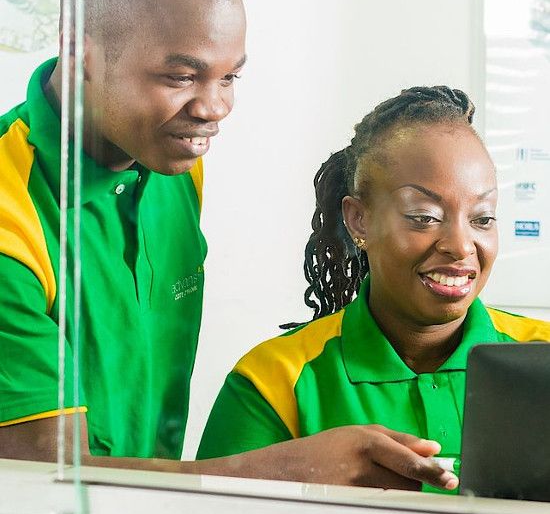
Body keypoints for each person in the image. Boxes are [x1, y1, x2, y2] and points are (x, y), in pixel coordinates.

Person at [0, 0, 461, 491]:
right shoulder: (11, 217)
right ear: (80, 54)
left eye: (230, 76)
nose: (215, 107)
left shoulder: (172, 166)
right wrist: (288, 471)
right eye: (181, 77)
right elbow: (38, 483)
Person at [196, 85, 550, 493]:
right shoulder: (273, 380)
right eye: (424, 216)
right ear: (359, 220)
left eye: (483, 218)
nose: (460, 245)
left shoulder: (540, 359)